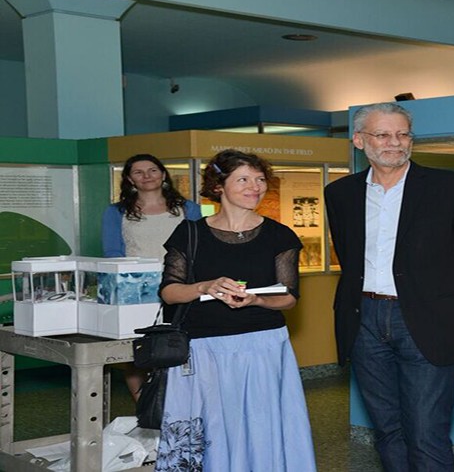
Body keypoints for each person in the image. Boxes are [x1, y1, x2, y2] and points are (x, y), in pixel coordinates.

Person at [324, 102, 454, 471]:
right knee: (387, 430)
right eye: (383, 134)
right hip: (364, 320)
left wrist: (450, 309)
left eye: (403, 134)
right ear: (359, 140)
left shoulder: (451, 187)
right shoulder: (340, 193)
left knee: (425, 431)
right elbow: (349, 258)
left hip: (426, 320)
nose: (395, 143)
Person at [156, 149, 315, 471]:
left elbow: (289, 297)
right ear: (219, 185)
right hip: (204, 348)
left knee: (262, 424)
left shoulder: (279, 235)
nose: (254, 187)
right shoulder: (189, 234)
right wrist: (204, 286)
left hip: (263, 347)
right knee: (212, 425)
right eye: (243, 179)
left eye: (259, 180)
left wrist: (257, 300)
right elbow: (170, 292)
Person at [101, 153, 201, 401]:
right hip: (136, 290)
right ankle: (145, 410)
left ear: (163, 174)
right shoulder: (116, 212)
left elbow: (199, 249)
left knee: (182, 346)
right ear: (129, 179)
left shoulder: (188, 208)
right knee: (138, 352)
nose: (147, 176)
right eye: (138, 172)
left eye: (153, 170)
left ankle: (181, 408)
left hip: (181, 288)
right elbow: (112, 252)